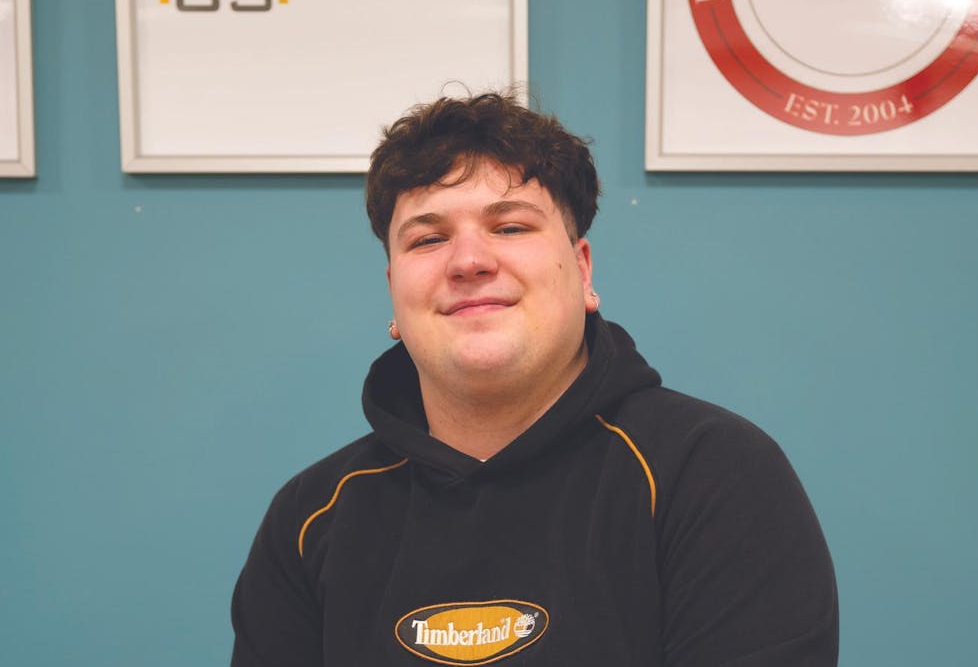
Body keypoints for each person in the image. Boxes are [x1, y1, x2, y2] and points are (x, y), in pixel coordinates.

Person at [230, 92, 838, 666]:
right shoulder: (311, 517)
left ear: (582, 269)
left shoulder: (713, 473)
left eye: (511, 227)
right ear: (394, 292)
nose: (469, 261)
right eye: (429, 238)